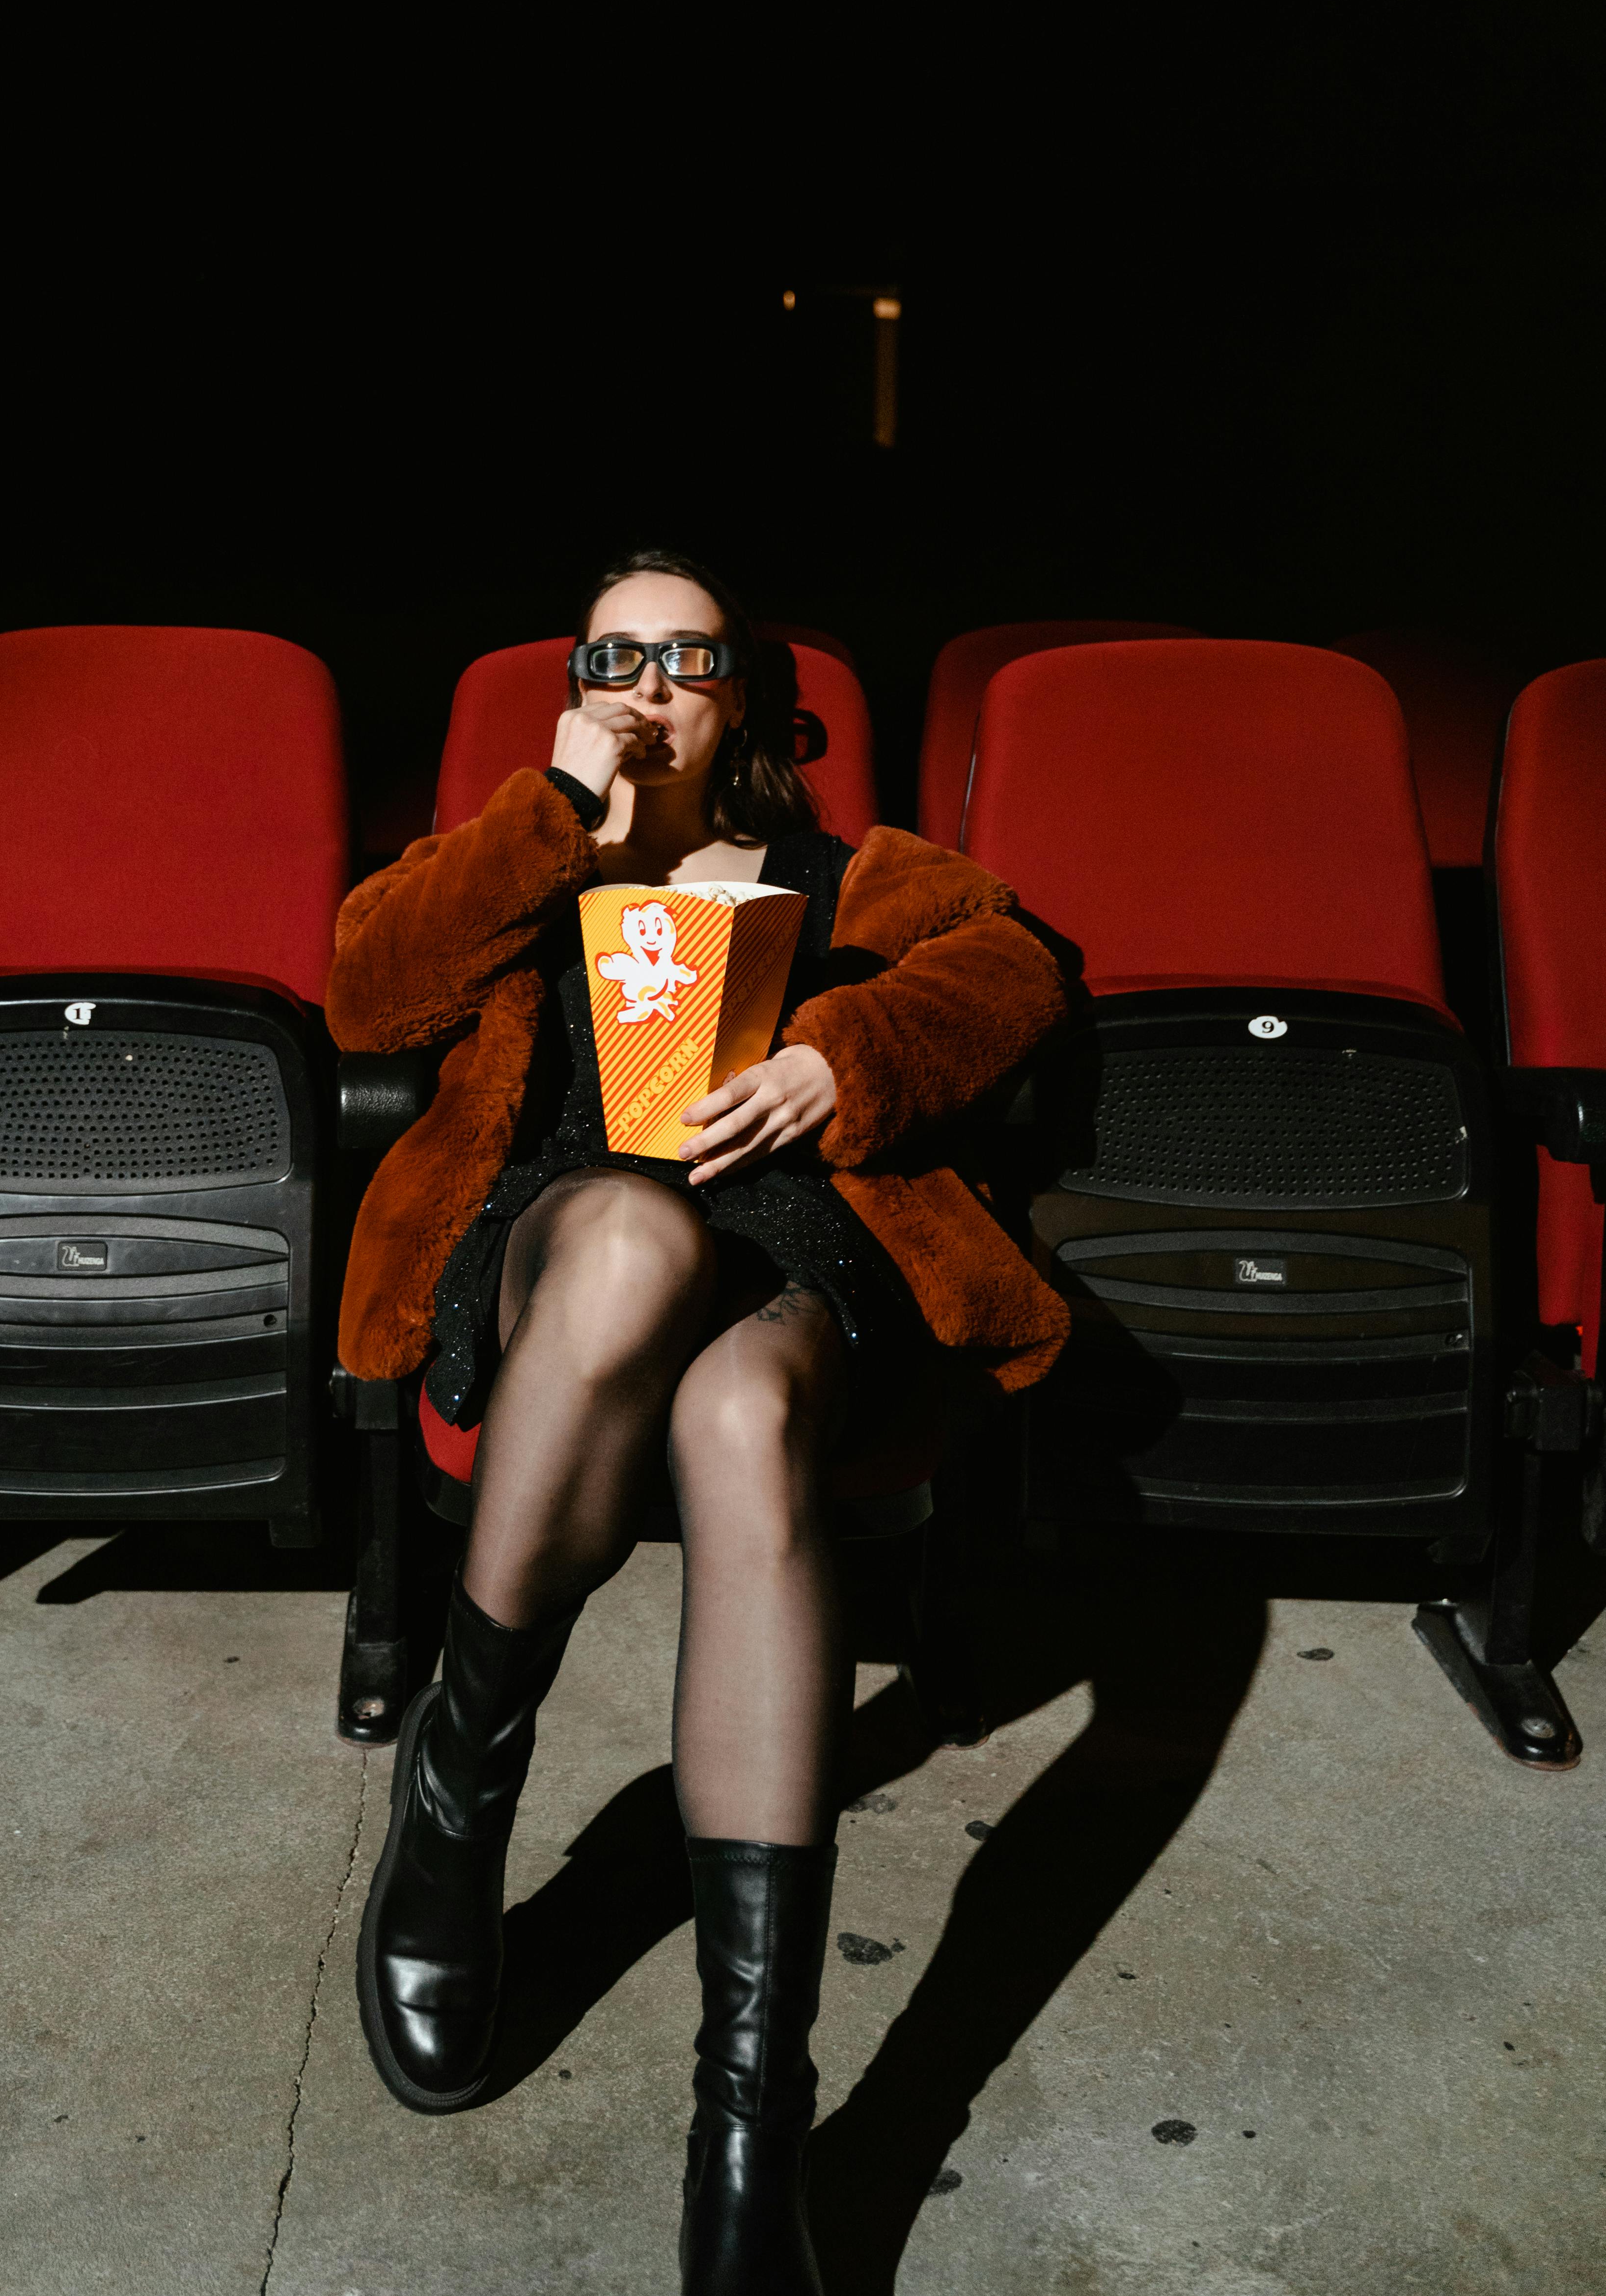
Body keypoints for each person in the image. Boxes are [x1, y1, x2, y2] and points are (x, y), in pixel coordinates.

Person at [326, 549, 1070, 2296]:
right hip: (559, 1254)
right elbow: (366, 990)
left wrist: (848, 1054)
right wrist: (554, 813)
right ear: (578, 684)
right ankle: (462, 1794)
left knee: (742, 1409)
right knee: (637, 1231)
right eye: (616, 654)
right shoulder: (531, 850)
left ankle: (749, 2116)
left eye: (690, 657)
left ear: (748, 696)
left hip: (795, 1260)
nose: (651, 682)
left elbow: (1018, 963)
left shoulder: (847, 874)